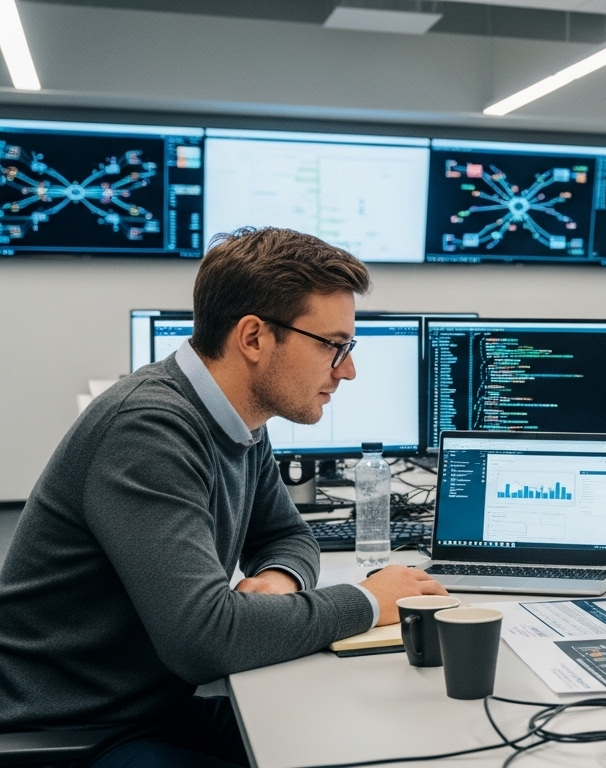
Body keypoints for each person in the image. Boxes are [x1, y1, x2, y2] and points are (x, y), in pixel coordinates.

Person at [0, 227, 448, 766]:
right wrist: (374, 599)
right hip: (75, 731)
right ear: (254, 337)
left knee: (366, 740)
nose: (348, 369)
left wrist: (280, 579)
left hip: (152, 709)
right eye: (333, 345)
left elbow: (286, 535)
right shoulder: (148, 430)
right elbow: (206, 640)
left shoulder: (239, 420)